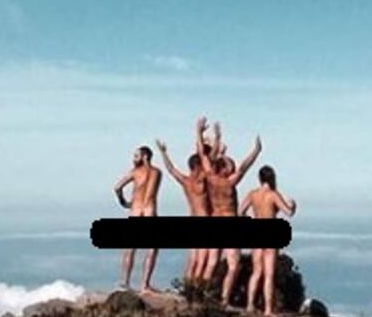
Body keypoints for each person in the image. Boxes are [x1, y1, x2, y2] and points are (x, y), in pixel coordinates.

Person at [196, 123, 261, 306]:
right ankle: (224, 299)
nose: (232, 166)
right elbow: (244, 167)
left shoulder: (210, 176)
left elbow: (202, 155)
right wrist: (256, 151)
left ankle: (201, 294)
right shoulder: (229, 182)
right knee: (233, 265)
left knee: (212, 261)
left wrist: (200, 134)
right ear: (224, 169)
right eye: (229, 164)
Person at [155, 121, 211, 283]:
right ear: (199, 165)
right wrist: (200, 135)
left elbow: (171, 169)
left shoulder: (186, 181)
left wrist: (164, 153)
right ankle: (198, 288)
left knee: (192, 259)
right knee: (203, 259)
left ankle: (186, 286)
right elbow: (206, 159)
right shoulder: (201, 180)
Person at [240, 165, 297, 316]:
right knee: (269, 274)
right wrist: (293, 205)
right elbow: (288, 212)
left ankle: (250, 305)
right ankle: (268, 309)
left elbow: (240, 211)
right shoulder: (273, 195)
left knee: (256, 272)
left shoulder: (253, 194)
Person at [112, 145, 162, 292]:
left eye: (136, 156)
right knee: (152, 249)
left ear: (145, 156)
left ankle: (125, 282)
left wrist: (123, 201)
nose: (134, 159)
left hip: (136, 210)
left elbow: (117, 187)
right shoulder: (157, 173)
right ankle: (145, 284)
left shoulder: (135, 172)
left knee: (130, 249)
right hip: (149, 211)